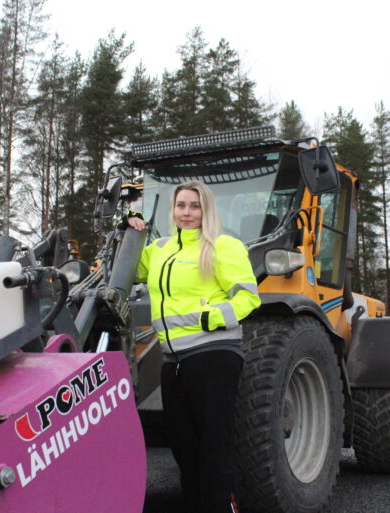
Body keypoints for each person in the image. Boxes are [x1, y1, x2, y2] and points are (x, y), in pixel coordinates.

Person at [128, 180, 260, 513]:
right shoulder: (159, 249)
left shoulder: (222, 246)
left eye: (194, 206)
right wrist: (130, 227)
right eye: (181, 205)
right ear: (172, 210)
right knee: (184, 448)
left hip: (213, 355)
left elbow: (248, 298)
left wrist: (208, 318)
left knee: (214, 447)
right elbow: (127, 268)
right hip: (173, 361)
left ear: (206, 210)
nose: (186, 212)